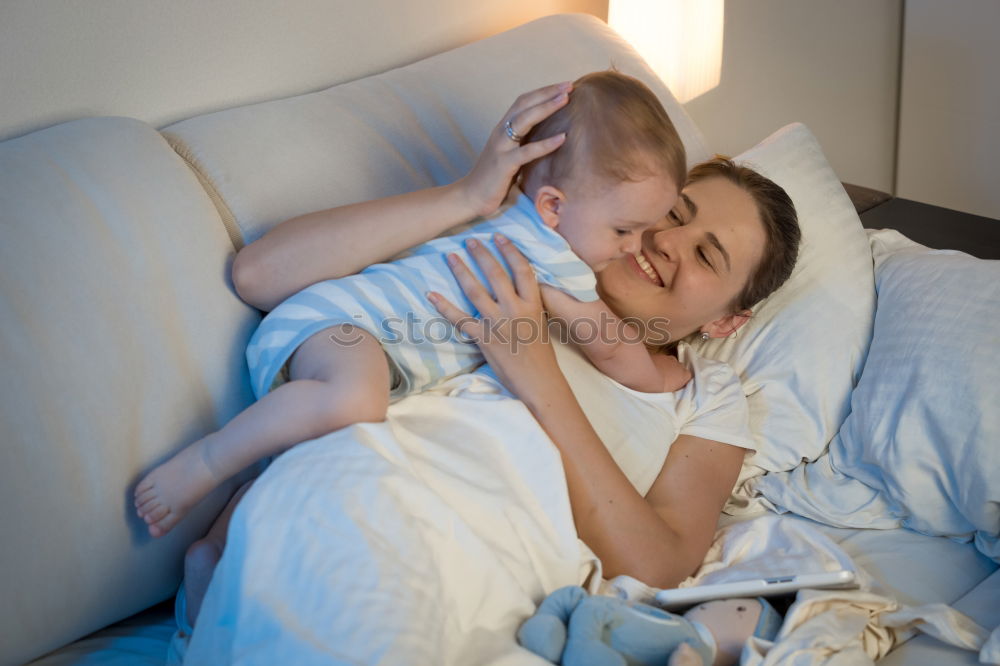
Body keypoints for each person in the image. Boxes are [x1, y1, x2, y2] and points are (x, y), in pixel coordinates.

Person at [180, 82, 801, 629]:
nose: (663, 242)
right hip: (346, 493)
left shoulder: (706, 393)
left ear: (728, 320)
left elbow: (659, 567)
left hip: (461, 557)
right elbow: (260, 274)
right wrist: (467, 196)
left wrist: (535, 375)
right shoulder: (504, 239)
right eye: (669, 216)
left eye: (706, 256)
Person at [134, 70, 689, 540]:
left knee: (311, 452)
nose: (633, 248)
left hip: (357, 344)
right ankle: (207, 460)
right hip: (350, 325)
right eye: (625, 229)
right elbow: (617, 354)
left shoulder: (507, 215)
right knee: (353, 401)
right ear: (552, 204)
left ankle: (209, 550)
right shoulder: (556, 258)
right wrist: (667, 376)